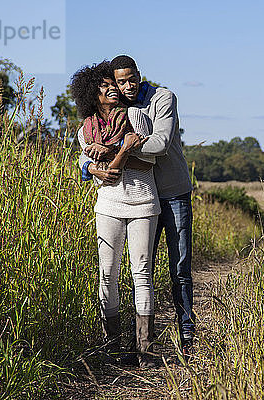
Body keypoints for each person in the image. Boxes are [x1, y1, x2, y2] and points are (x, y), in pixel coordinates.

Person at [72, 61, 160, 367]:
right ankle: (112, 346)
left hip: (143, 203)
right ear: (91, 94)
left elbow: (148, 162)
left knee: (142, 272)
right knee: (106, 274)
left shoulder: (136, 115)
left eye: (113, 84)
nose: (111, 89)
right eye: (103, 86)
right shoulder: (86, 128)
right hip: (108, 205)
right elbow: (88, 166)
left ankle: (144, 349)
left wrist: (110, 157)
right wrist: (105, 161)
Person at [110, 55, 196, 354]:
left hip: (173, 193)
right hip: (141, 198)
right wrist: (91, 163)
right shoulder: (112, 105)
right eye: (121, 81)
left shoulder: (163, 98)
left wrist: (115, 151)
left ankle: (187, 335)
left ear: (139, 75)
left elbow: (159, 144)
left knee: (180, 266)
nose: (127, 85)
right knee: (141, 269)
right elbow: (89, 138)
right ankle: (145, 340)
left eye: (131, 78)